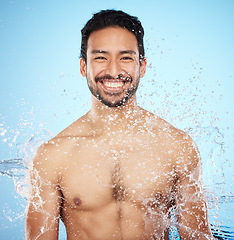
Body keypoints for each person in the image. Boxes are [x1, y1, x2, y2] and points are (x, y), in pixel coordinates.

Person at [25, 9, 213, 240]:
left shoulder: (177, 147)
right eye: (101, 57)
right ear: (84, 66)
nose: (114, 71)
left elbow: (198, 237)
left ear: (142, 66)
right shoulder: (53, 155)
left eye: (125, 57)